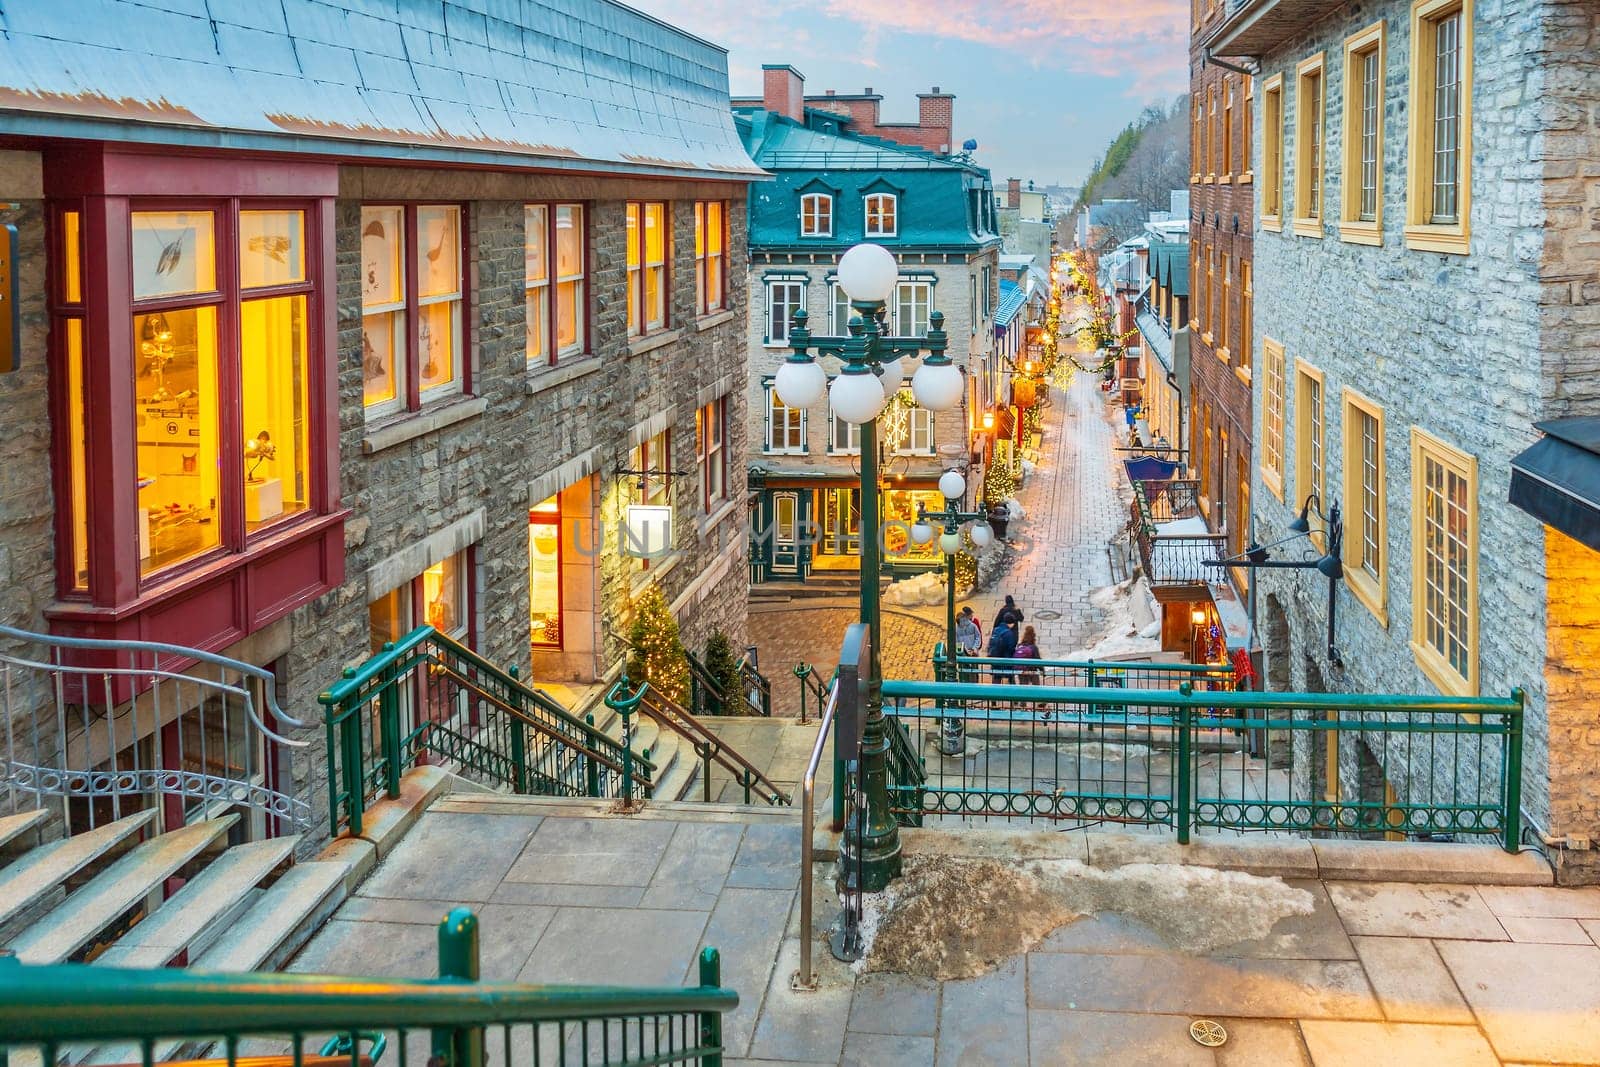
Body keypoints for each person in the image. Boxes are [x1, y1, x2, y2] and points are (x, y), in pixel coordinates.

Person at [986, 613, 1018, 684]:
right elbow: (1011, 647)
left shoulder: (996, 629)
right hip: (1005, 659)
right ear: (1011, 623)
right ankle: (1011, 691)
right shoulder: (1009, 633)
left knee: (996, 677)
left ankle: (995, 693)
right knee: (1010, 675)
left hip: (995, 658)